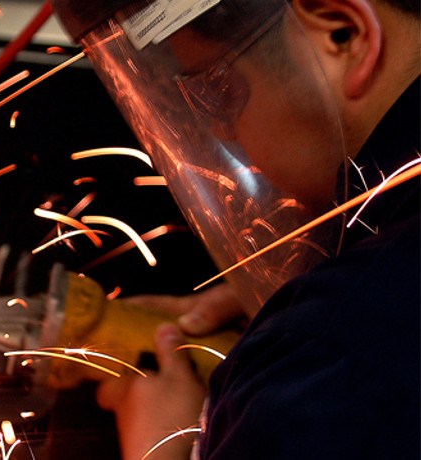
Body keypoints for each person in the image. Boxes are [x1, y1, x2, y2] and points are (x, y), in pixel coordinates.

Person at [50, 0, 420, 458]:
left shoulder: (331, 357)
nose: (222, 133)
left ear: (343, 34)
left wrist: (164, 446)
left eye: (219, 89)